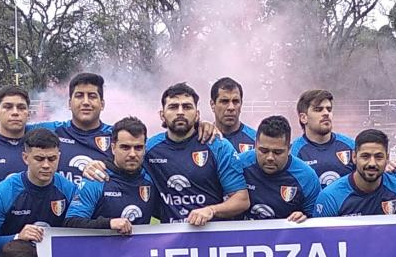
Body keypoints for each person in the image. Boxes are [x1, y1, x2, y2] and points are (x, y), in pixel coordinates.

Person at [0, 73, 115, 186]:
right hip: (59, 214)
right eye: (79, 96)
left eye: (92, 96)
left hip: (101, 217)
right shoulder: (53, 130)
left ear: (102, 104)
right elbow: (12, 128)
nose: (86, 102)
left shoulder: (117, 137)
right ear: (69, 103)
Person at [144, 82, 250, 225]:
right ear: (162, 115)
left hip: (211, 236)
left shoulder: (218, 146)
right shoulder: (149, 149)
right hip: (171, 237)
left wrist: (211, 210)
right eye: (173, 107)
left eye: (187, 107)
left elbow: (242, 200)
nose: (180, 112)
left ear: (197, 115)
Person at [0, 128, 79, 255]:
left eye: (52, 159)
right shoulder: (6, 191)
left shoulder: (68, 188)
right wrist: (17, 237)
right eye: (39, 159)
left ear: (59, 157)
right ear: (25, 158)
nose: (46, 165)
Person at [66, 116, 166, 231]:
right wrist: (108, 224)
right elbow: (70, 223)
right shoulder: (96, 178)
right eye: (125, 147)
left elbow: (169, 212)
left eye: (138, 148)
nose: (132, 154)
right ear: (113, 148)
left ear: (144, 149)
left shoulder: (150, 179)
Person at [240, 115, 320, 222]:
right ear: (255, 145)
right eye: (263, 151)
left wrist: (305, 217)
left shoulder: (306, 177)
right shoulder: (239, 165)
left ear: (289, 149)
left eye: (277, 152)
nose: (270, 158)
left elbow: (316, 220)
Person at [290, 89, 355, 186]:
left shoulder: (350, 146)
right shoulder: (294, 152)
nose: (326, 113)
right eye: (318, 110)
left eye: (329, 109)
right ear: (303, 118)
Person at [212, 77, 257, 154]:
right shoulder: (203, 139)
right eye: (225, 101)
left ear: (241, 104)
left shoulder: (256, 140)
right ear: (212, 105)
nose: (231, 107)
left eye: (235, 101)